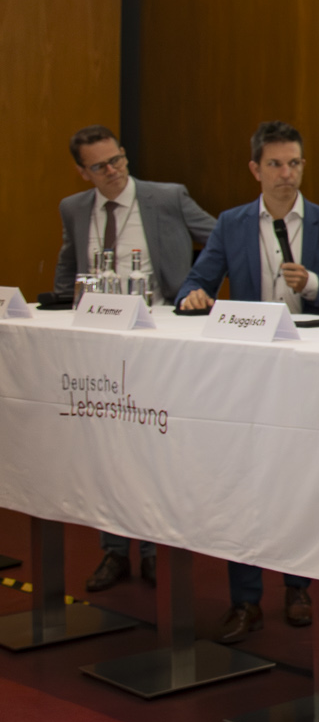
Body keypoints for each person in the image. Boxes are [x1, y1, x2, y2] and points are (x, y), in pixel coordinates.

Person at [177, 121, 319, 640]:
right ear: (255, 169)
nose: (286, 174)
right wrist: (193, 296)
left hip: (309, 373)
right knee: (244, 483)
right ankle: (245, 599)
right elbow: (196, 281)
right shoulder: (232, 224)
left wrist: (316, 284)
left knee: (299, 481)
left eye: (294, 163)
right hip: (247, 373)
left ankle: (299, 587)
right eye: (276, 164)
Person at [54, 125, 217, 593]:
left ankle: (151, 551)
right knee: (106, 448)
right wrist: (61, 303)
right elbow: (69, 263)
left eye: (118, 160)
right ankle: (113, 549)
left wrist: (199, 288)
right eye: (100, 166)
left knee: (149, 448)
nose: (113, 171)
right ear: (83, 172)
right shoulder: (74, 208)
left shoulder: (166, 197)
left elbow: (222, 238)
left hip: (155, 340)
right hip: (97, 343)